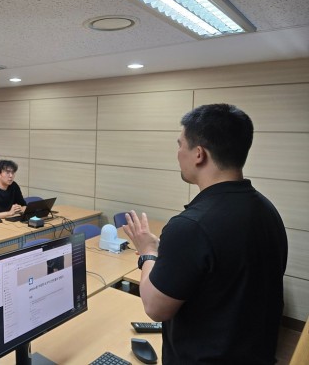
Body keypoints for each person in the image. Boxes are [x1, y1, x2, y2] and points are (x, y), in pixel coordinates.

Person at [121, 104, 288, 364]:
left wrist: (148, 252)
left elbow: (155, 307)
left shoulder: (191, 226)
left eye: (180, 144)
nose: (178, 153)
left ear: (199, 154)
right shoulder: (267, 210)